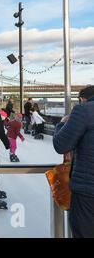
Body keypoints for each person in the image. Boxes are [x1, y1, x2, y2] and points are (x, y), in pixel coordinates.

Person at [53, 85, 94, 238]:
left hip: (87, 193)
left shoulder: (83, 110)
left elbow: (61, 145)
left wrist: (62, 124)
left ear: (82, 99)